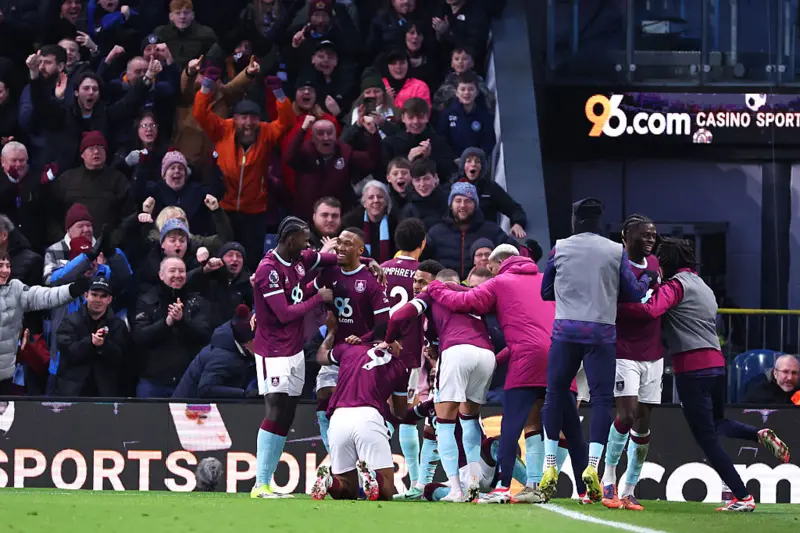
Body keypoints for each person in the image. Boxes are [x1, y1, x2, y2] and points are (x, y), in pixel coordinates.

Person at [617, 237, 791, 512]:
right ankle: (758, 434)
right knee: (717, 422)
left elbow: (651, 310)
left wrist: (619, 304)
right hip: (717, 366)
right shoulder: (703, 286)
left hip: (692, 369)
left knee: (706, 440)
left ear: (667, 262)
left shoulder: (675, 286)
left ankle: (743, 497)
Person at [538, 198, 649, 503]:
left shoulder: (560, 247)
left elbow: (545, 291)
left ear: (575, 220)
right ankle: (592, 466)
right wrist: (645, 280)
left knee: (554, 394)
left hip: (566, 330)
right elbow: (634, 292)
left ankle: (549, 465)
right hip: (601, 332)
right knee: (601, 399)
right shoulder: (615, 250)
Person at [426, 246, 556, 504]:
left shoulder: (501, 283)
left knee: (510, 425)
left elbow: (463, 301)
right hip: (554, 351)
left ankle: (500, 486)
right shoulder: (543, 280)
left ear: (501, 262)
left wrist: (435, 287)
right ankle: (538, 484)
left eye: (492, 269)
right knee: (541, 423)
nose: (491, 274)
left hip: (522, 362)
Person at [389, 266, 495, 502]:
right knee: (469, 419)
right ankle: (473, 481)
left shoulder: (432, 294)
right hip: (486, 354)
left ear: (436, 283)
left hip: (457, 351)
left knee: (444, 423)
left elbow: (399, 316)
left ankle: (456, 489)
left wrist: (388, 340)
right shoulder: (472, 295)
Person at [250, 216, 335, 499]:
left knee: (286, 414)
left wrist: (370, 262)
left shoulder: (299, 259)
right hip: (273, 351)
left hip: (295, 348)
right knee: (275, 411)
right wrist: (318, 297)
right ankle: (260, 483)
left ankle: (268, 482)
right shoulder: (268, 270)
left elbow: (330, 259)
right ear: (290, 240)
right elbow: (284, 313)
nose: (307, 245)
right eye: (304, 240)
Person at [192, 65, 294, 270]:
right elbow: (200, 113)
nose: (248, 123)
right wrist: (207, 84)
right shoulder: (223, 129)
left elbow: (287, 121)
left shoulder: (265, 132)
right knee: (222, 258)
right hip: (223, 209)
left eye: (253, 117)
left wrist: (278, 92)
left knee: (250, 260)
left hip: (254, 212)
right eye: (243, 117)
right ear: (235, 118)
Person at [602, 214, 663, 511]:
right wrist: (646, 310)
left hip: (654, 352)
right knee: (626, 415)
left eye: (653, 235)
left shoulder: (655, 264)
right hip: (624, 350)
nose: (651, 239)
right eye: (645, 234)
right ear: (626, 236)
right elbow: (612, 305)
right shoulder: (616, 265)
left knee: (643, 423)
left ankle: (629, 489)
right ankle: (609, 477)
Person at [309, 227, 390, 452]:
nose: (340, 247)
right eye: (339, 242)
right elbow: (304, 290)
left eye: (348, 244)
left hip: (364, 351)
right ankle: (334, 454)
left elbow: (383, 326)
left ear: (360, 250)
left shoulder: (372, 280)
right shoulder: (330, 272)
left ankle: (371, 451)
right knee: (324, 392)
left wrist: (362, 339)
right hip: (337, 348)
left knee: (360, 405)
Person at [311, 317, 407, 502]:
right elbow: (400, 411)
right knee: (386, 491)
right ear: (393, 341)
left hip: (338, 418)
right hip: (369, 416)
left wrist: (331, 333)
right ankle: (373, 476)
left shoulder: (349, 349)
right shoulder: (398, 365)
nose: (401, 349)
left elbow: (321, 356)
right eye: (401, 344)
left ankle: (330, 482)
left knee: (347, 490)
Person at [380, 218, 432, 499]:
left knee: (385, 413)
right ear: (422, 243)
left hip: (381, 348)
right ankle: (415, 483)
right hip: (411, 352)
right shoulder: (423, 273)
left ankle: (371, 473)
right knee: (407, 417)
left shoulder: (381, 268)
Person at [0, 251, 87, 394]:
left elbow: (43, 296)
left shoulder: (15, 289)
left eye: (8, 266)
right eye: (0, 266)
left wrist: (71, 290)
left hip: (7, 376)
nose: (5, 271)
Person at [131, 256, 213, 397]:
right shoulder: (147, 300)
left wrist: (182, 322)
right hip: (152, 382)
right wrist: (166, 323)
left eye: (181, 271)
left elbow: (205, 335)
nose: (177, 275)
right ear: (161, 275)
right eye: (172, 271)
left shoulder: (197, 302)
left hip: (188, 381)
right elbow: (139, 337)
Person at [54, 277, 130, 397]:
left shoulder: (118, 325)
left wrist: (103, 346)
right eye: (94, 295)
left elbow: (123, 359)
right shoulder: (70, 321)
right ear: (86, 295)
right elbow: (68, 352)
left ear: (109, 299)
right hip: (73, 391)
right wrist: (90, 342)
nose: (98, 300)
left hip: (106, 392)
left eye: (103, 296)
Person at [425, 182, 516, 280]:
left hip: (481, 286)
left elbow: (513, 253)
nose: (463, 205)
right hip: (444, 286)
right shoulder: (436, 232)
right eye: (458, 201)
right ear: (451, 205)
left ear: (475, 205)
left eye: (468, 201)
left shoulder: (492, 230)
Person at [172, 304, 258, 399]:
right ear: (248, 343)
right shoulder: (222, 356)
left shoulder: (238, 342)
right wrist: (243, 394)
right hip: (188, 405)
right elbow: (206, 389)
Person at [342, 181, 398, 263]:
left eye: (380, 197)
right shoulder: (351, 223)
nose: (376, 200)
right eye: (371, 197)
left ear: (386, 201)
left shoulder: (395, 222)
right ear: (364, 203)